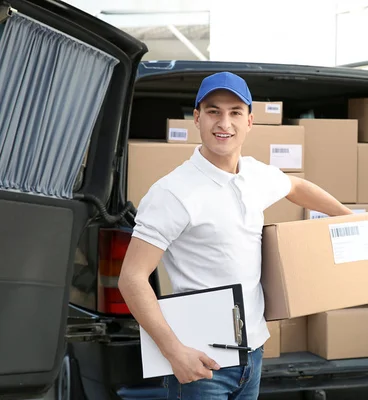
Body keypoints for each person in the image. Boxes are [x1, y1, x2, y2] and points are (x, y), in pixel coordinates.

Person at [118, 71, 353, 399]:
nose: (223, 123)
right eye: (213, 111)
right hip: (201, 361)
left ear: (250, 121)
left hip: (252, 354)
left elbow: (297, 186)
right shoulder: (172, 192)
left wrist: (350, 218)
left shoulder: (256, 174)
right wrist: (174, 352)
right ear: (197, 118)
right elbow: (131, 278)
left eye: (235, 113)